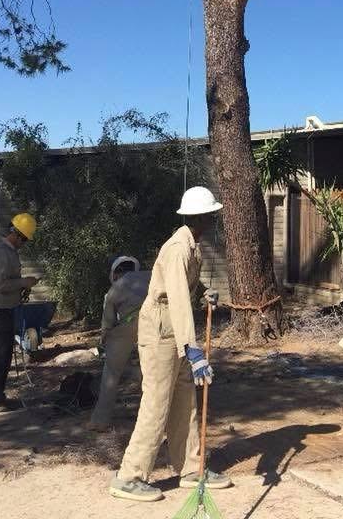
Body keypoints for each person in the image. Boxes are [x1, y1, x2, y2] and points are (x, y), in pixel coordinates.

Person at [109, 187, 232, 503]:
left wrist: (203, 291)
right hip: (162, 329)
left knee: (185, 400)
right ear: (200, 217)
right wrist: (193, 351)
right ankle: (130, 476)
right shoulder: (178, 247)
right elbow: (176, 299)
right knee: (157, 402)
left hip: (173, 325)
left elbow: (185, 286)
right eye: (211, 215)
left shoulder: (193, 246)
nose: (214, 220)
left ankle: (190, 467)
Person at [0, 213, 40, 413]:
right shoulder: (1, 253)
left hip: (6, 309)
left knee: (3, 355)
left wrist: (21, 287)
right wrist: (24, 282)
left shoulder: (10, 252)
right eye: (24, 239)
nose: (24, 243)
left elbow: (7, 282)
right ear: (18, 234)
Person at [89, 254, 150, 432]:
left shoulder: (115, 288)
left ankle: (100, 420)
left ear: (115, 273)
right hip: (155, 323)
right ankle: (152, 418)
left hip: (128, 325)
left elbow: (107, 322)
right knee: (150, 370)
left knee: (111, 372)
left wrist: (104, 339)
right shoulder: (150, 276)